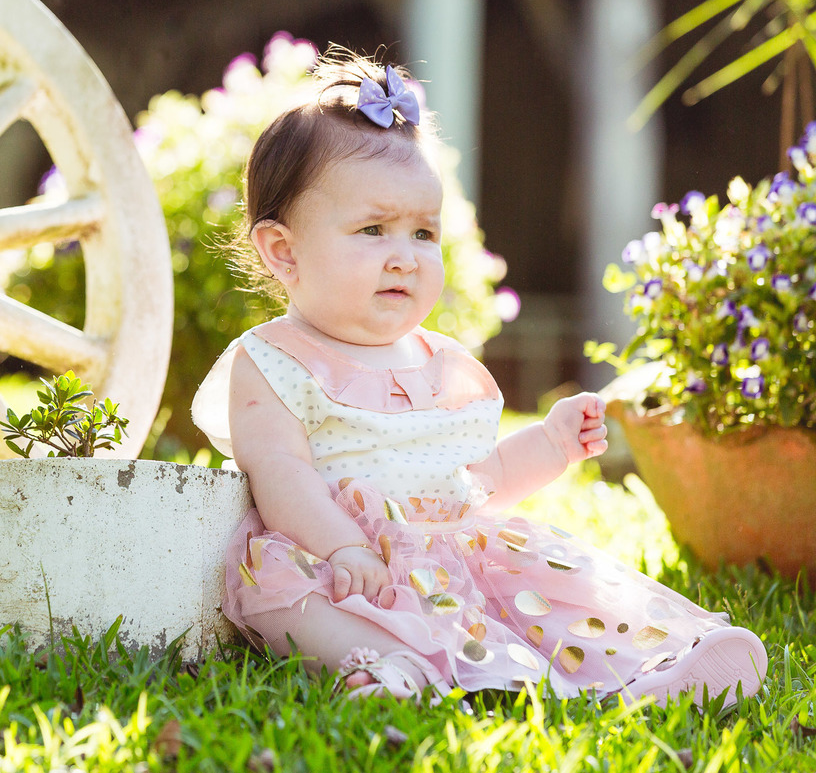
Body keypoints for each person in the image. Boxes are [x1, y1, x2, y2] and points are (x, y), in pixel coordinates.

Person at [191, 50, 768, 706]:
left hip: (454, 559)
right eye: (374, 229)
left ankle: (647, 668)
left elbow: (477, 481)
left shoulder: (439, 362)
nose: (404, 257)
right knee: (299, 598)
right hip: (341, 561)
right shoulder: (271, 360)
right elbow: (281, 474)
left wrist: (550, 445)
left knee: (553, 589)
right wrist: (346, 546)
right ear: (283, 250)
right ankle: (395, 670)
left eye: (423, 233)